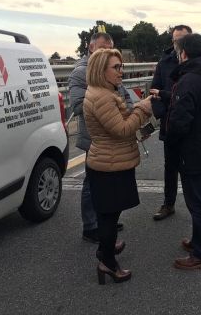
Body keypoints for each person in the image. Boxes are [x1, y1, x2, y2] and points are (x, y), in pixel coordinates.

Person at [84, 48, 152, 284]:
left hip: (109, 161)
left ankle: (107, 248)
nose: (121, 71)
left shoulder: (102, 91)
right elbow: (122, 129)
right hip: (109, 165)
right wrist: (143, 109)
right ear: (100, 70)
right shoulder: (102, 97)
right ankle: (108, 262)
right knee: (109, 217)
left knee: (109, 214)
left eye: (121, 66)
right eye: (116, 67)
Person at [162, 33, 201, 270]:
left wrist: (171, 140)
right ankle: (199, 241)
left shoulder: (188, 80)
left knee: (198, 204)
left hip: (193, 150)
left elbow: (180, 122)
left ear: (184, 53)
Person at [68, 32, 131, 243]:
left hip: (114, 133)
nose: (107, 51)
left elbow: (126, 97)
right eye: (103, 47)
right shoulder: (81, 72)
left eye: (110, 48)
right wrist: (105, 100)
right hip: (95, 136)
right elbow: (77, 106)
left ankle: (106, 219)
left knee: (110, 183)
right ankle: (91, 226)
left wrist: (125, 112)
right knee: (92, 183)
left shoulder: (110, 69)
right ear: (91, 47)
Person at [150, 25, 192, 221]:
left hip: (191, 125)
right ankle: (169, 203)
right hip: (170, 123)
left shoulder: (198, 62)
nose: (179, 43)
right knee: (170, 166)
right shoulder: (164, 62)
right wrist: (162, 113)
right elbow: (154, 90)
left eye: (183, 40)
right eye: (176, 40)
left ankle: (196, 206)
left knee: (192, 167)